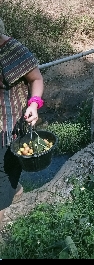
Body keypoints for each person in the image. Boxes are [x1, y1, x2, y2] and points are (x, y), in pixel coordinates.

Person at [0, 18, 44, 224]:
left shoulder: (13, 50)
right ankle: (16, 189)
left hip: (8, 127)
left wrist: (34, 104)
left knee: (3, 175)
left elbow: (36, 78)